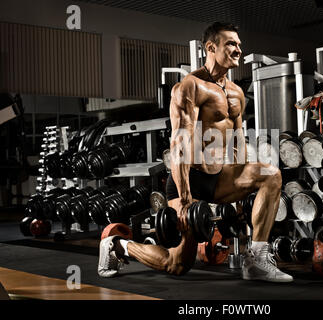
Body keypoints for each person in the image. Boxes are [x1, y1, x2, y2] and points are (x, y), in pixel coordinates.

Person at [98, 22, 293, 283]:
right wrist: (185, 198)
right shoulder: (189, 87)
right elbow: (180, 144)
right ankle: (118, 245)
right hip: (188, 179)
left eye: (239, 44)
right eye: (231, 44)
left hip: (218, 177)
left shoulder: (236, 93)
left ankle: (257, 259)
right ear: (211, 47)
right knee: (176, 265)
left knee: (270, 175)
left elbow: (237, 144)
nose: (238, 49)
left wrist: (240, 195)